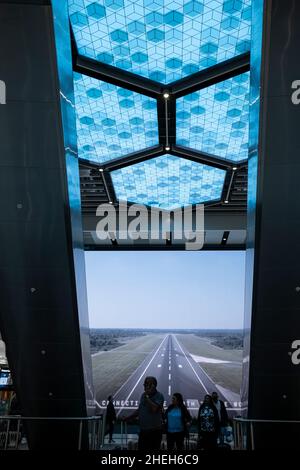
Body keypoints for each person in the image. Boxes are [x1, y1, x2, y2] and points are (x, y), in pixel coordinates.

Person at [123, 376, 164, 451]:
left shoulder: (159, 396)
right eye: (144, 384)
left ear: (153, 386)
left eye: (146, 384)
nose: (144, 386)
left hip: (154, 432)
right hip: (143, 431)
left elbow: (154, 409)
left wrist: (147, 397)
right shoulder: (143, 395)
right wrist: (128, 417)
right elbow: (140, 410)